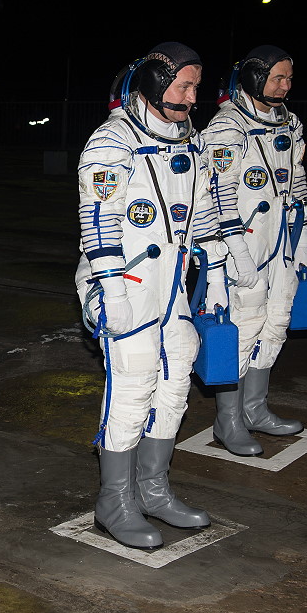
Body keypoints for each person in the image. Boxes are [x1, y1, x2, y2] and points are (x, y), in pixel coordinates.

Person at [75, 42, 217, 550]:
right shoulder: (112, 142)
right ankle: (115, 500)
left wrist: (216, 269)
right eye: (183, 86)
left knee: (178, 371)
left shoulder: (191, 144)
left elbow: (201, 211)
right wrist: (111, 289)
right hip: (124, 284)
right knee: (133, 384)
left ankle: (153, 489)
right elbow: (98, 221)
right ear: (156, 84)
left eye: (196, 87)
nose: (192, 97)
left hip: (171, 286)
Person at [201, 46, 307, 456]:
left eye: (289, 78)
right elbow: (216, 193)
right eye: (277, 77)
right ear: (253, 78)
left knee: (276, 320)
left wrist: (304, 235)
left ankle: (255, 408)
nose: (285, 86)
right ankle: (228, 421)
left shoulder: (291, 123)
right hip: (243, 244)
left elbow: (296, 179)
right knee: (243, 328)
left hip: (281, 242)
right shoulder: (228, 128)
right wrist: (233, 249)